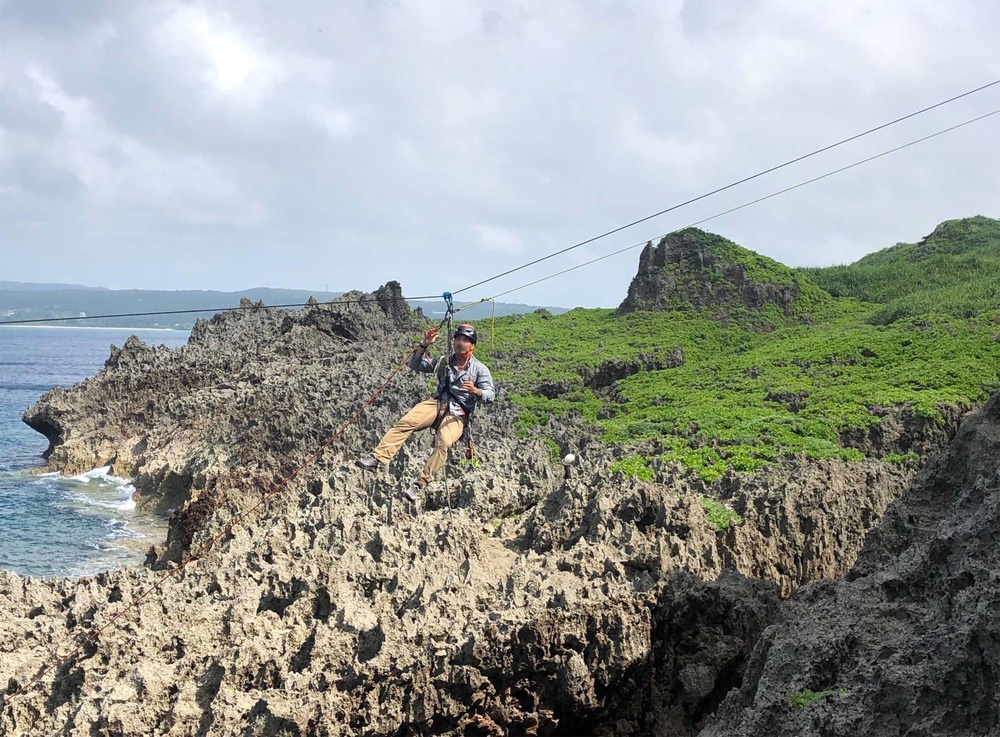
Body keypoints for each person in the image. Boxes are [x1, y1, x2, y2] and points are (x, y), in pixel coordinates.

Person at [355, 323, 495, 505]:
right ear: (454, 341)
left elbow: (490, 395)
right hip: (437, 403)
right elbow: (415, 364)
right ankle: (377, 458)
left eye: (466, 340)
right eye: (458, 339)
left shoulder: (480, 369)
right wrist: (424, 345)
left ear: (472, 345)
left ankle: (419, 485)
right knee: (407, 421)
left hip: (458, 413)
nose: (461, 343)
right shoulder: (444, 361)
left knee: (444, 441)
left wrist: (476, 391)